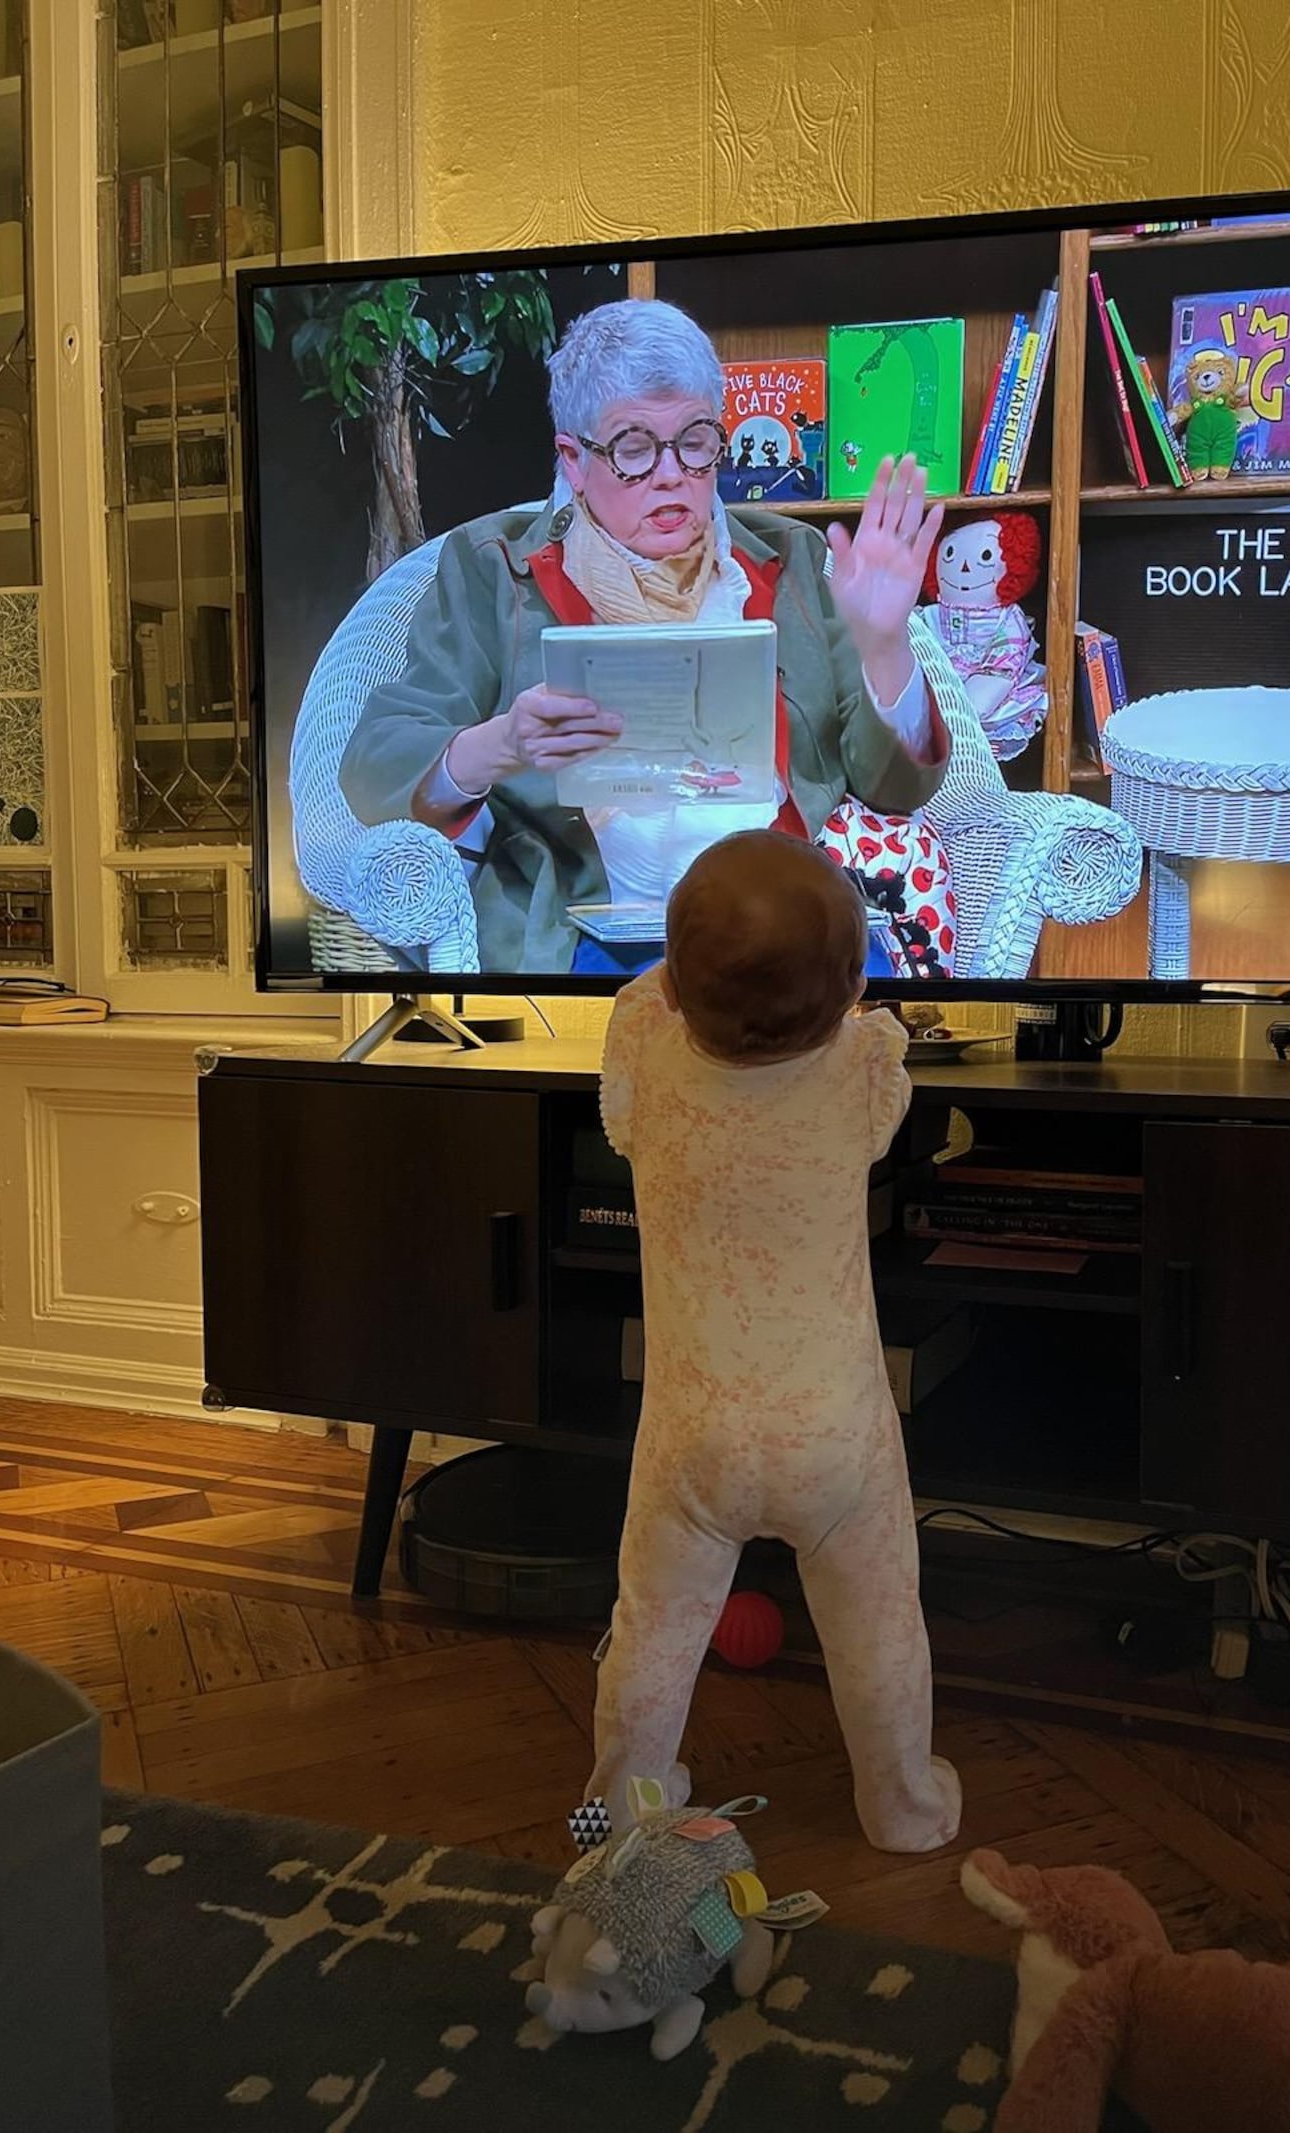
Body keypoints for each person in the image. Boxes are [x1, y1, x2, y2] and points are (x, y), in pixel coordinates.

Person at [338, 298, 950, 975]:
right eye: (633, 449)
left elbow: (896, 789)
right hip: (590, 927)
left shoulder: (790, 558)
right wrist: (500, 744)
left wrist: (886, 648)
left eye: (695, 442)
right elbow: (375, 763)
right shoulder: (491, 570)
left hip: (781, 916)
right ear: (573, 460)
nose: (671, 474)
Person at [585, 829, 963, 1854]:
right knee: (879, 1624)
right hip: (834, 1438)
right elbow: (877, 1033)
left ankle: (619, 1812)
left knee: (652, 1631)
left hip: (691, 1438)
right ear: (850, 990)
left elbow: (645, 997)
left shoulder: (642, 1060)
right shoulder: (865, 1075)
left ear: (675, 985)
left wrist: (688, 969)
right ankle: (904, 1810)